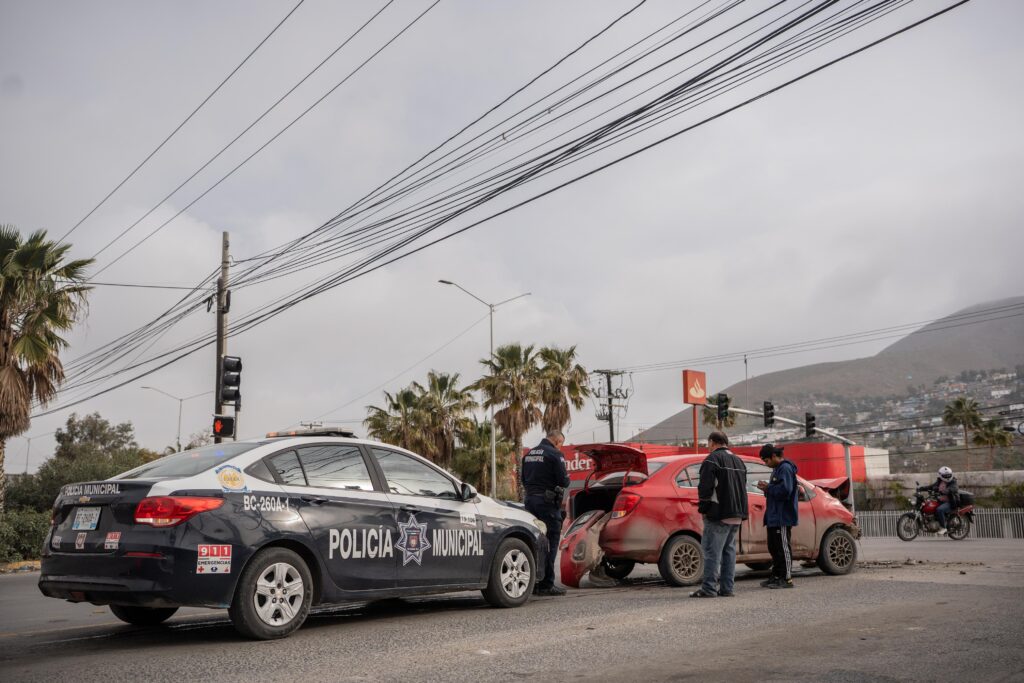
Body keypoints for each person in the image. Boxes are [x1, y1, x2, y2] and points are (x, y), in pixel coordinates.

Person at [692, 431, 748, 598]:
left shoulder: (711, 460)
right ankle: (727, 588)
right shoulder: (739, 461)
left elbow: (705, 487)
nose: (707, 446)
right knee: (728, 552)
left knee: (711, 552)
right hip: (736, 514)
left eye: (708, 443)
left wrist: (704, 509)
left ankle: (708, 589)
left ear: (713, 442)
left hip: (718, 513)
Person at [522, 429, 570, 596]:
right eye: (561, 444)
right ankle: (547, 584)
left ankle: (534, 583)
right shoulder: (555, 455)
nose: (561, 447)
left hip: (529, 502)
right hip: (547, 504)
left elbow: (523, 480)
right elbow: (564, 481)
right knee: (551, 541)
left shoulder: (528, 454)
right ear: (557, 441)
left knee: (535, 542)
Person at [756, 444, 799, 589]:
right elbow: (776, 489)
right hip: (773, 516)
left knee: (783, 548)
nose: (766, 464)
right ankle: (776, 576)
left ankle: (786, 578)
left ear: (774, 456)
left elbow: (785, 490)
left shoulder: (785, 468)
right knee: (774, 548)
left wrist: (768, 487)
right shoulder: (776, 470)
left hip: (782, 517)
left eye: (766, 461)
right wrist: (767, 488)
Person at [918, 466, 959, 535]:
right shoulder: (939, 481)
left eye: (948, 475)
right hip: (940, 501)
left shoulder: (953, 482)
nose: (947, 477)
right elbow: (931, 486)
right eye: (945, 475)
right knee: (930, 506)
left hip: (951, 502)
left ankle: (943, 527)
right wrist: (921, 488)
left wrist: (946, 491)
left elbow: (954, 488)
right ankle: (934, 522)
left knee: (940, 510)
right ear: (940, 475)